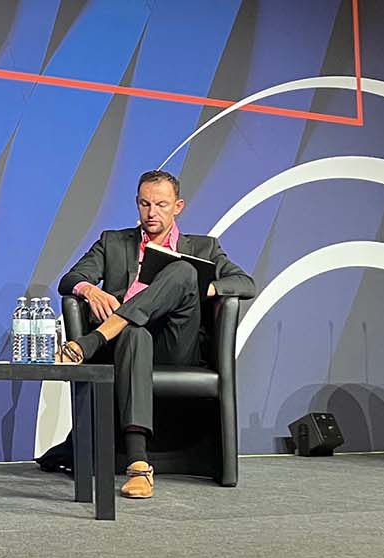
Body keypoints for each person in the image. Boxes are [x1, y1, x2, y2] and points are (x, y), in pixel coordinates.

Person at [52, 169, 255, 499]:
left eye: (161, 205)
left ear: (178, 206)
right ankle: (138, 465)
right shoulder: (113, 242)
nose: (151, 213)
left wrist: (203, 287)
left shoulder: (203, 247)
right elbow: (70, 278)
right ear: (137, 203)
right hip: (127, 345)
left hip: (176, 343)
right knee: (135, 333)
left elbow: (246, 283)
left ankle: (94, 339)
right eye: (145, 204)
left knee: (184, 270)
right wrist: (90, 290)